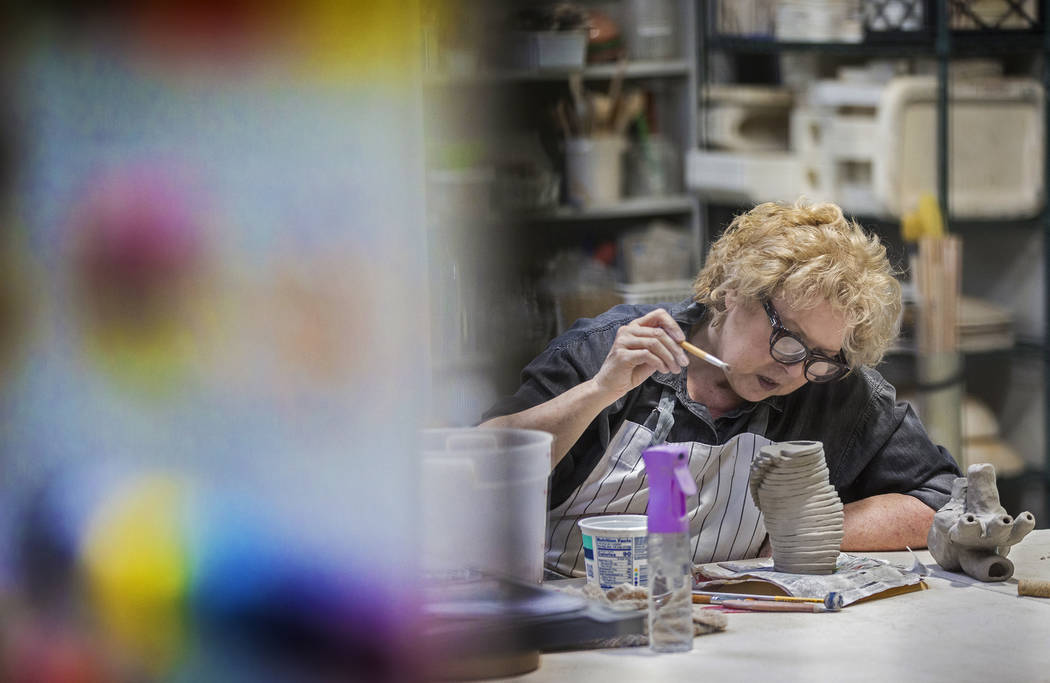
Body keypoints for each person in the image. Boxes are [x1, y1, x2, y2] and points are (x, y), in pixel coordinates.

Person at [481, 199, 961, 578]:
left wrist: (811, 529)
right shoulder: (607, 350)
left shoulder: (831, 387)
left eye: (820, 356)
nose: (794, 370)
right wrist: (599, 392)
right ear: (732, 291)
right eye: (789, 338)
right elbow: (475, 472)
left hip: (738, 630)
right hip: (577, 621)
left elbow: (945, 500)